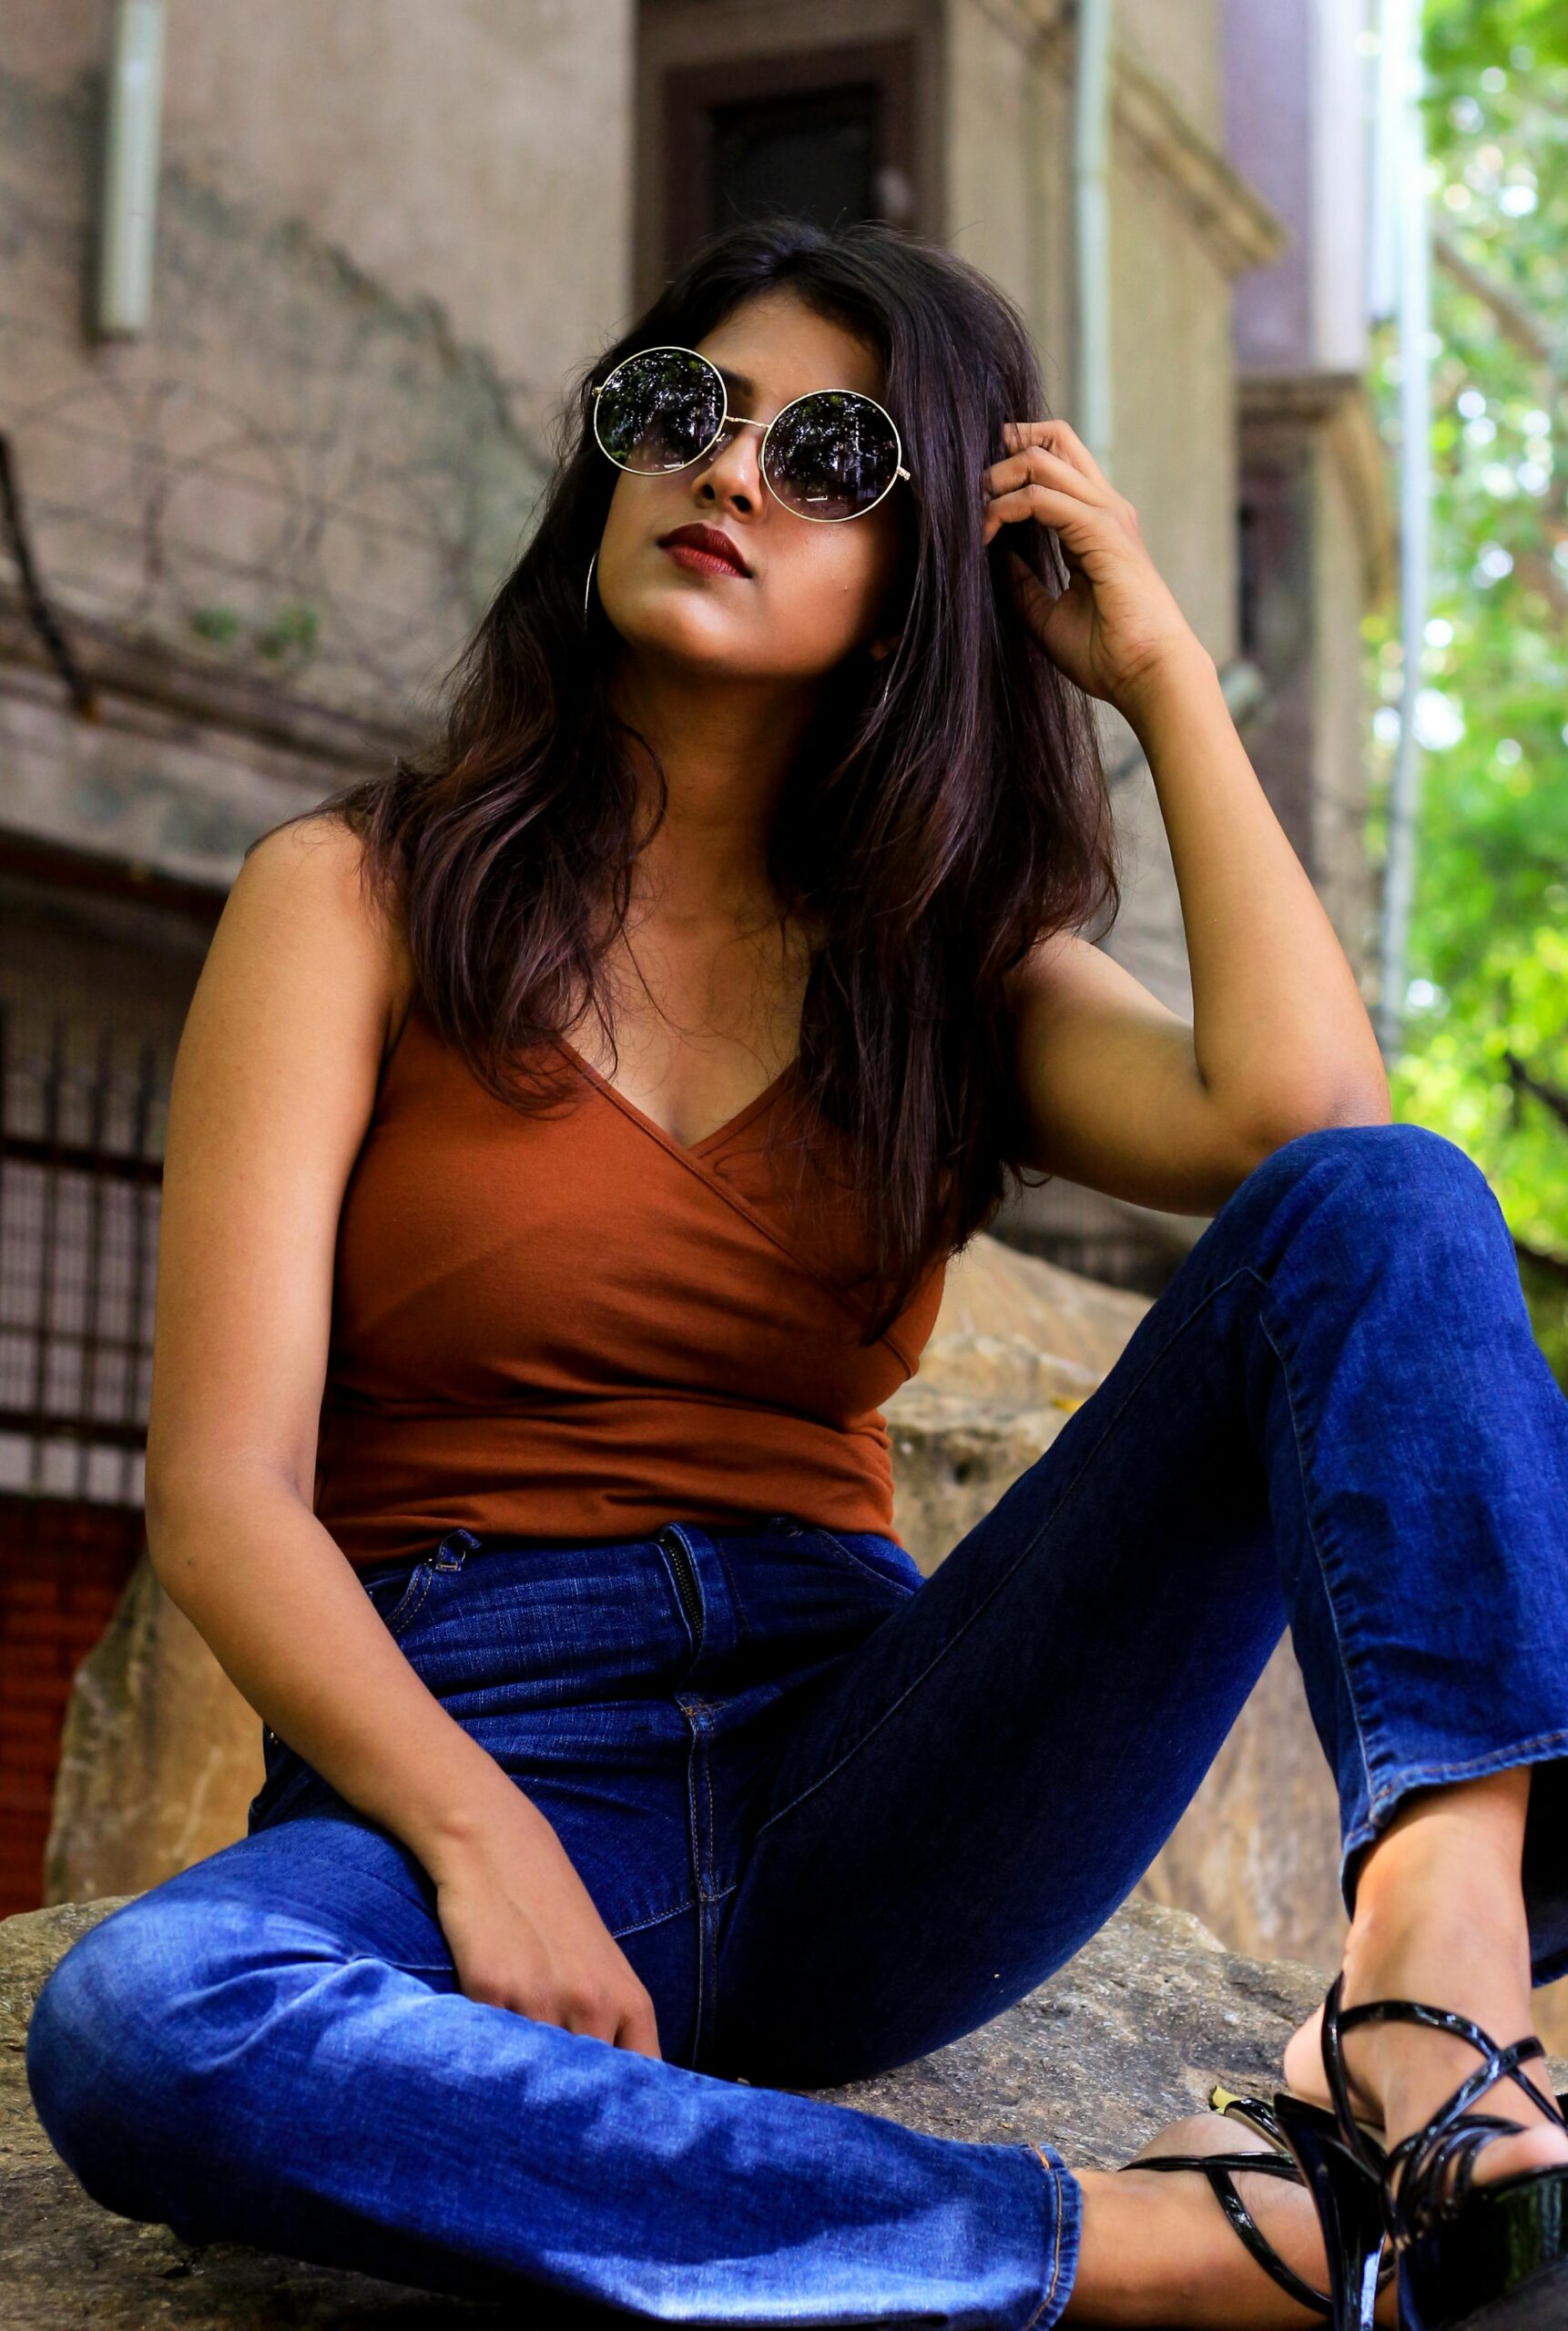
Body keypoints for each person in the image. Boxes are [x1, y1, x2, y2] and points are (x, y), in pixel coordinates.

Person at [24, 217, 1568, 2331]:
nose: (730, 471)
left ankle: (1451, 1973)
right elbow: (222, 1487)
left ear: (925, 577)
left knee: (1392, 1197)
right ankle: (1127, 2247)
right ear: (607, 472)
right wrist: (482, 1847)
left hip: (866, 1760)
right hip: (473, 1720)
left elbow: (1306, 1130)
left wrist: (1162, 676)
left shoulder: (941, 970)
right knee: (147, 2015)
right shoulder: (353, 897)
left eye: (833, 456)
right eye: (683, 413)